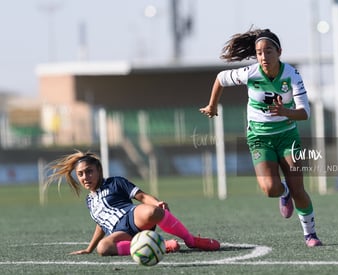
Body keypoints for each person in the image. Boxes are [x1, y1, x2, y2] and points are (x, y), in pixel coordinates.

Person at [200, 28, 322, 247]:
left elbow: (305, 113)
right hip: (259, 138)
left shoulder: (292, 75)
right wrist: (212, 105)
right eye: (259, 53)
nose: (264, 57)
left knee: (299, 190)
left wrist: (286, 112)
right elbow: (220, 78)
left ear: (279, 52)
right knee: (269, 189)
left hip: (287, 137)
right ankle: (283, 192)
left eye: (268, 51)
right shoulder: (251, 73)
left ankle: (310, 234)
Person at [44, 150, 220, 256]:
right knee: (103, 248)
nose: (85, 177)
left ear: (98, 170)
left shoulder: (115, 182)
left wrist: (157, 203)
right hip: (119, 233)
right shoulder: (89, 201)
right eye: (80, 174)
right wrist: (90, 248)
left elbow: (142, 197)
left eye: (89, 172)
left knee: (152, 211)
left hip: (133, 217)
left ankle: (191, 240)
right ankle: (161, 246)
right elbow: (100, 225)